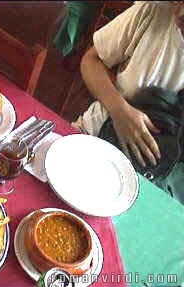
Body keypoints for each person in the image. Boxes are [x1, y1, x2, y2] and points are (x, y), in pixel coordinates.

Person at [72, 1, 184, 168]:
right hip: (95, 137)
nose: (180, 11)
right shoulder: (151, 12)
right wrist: (119, 111)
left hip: (155, 176)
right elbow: (91, 61)